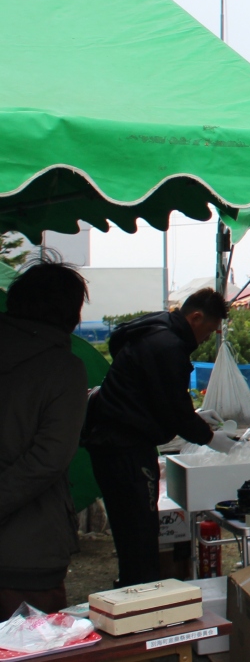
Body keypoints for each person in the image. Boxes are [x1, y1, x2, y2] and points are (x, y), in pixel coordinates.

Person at [82, 288, 236, 587]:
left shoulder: (155, 328)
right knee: (139, 529)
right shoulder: (167, 345)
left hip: (112, 441)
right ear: (195, 317)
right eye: (208, 331)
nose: (206, 339)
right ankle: (140, 592)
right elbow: (172, 407)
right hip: (124, 446)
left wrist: (194, 416)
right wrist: (209, 437)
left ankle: (133, 585)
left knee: (130, 528)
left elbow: (153, 395)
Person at [0, 263, 89, 618]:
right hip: (28, 548)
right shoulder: (63, 368)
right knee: (30, 639)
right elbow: (50, 457)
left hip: (25, 546)